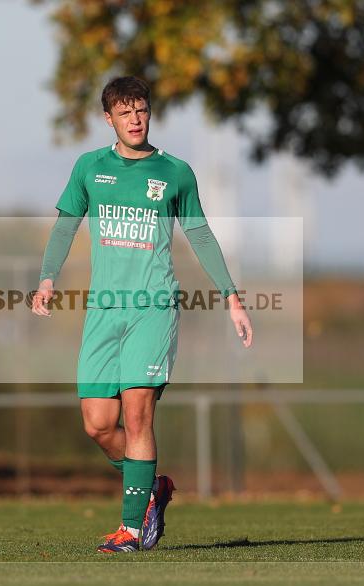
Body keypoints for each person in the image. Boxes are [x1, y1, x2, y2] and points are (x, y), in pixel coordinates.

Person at [32, 75, 253, 553]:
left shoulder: (176, 173)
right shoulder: (90, 167)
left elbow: (200, 236)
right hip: (102, 312)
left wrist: (231, 297)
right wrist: (48, 277)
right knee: (96, 423)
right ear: (108, 118)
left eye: (142, 110)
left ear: (150, 114)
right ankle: (151, 488)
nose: (135, 119)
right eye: (125, 112)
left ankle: (131, 530)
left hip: (153, 308)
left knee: (137, 417)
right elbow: (65, 225)